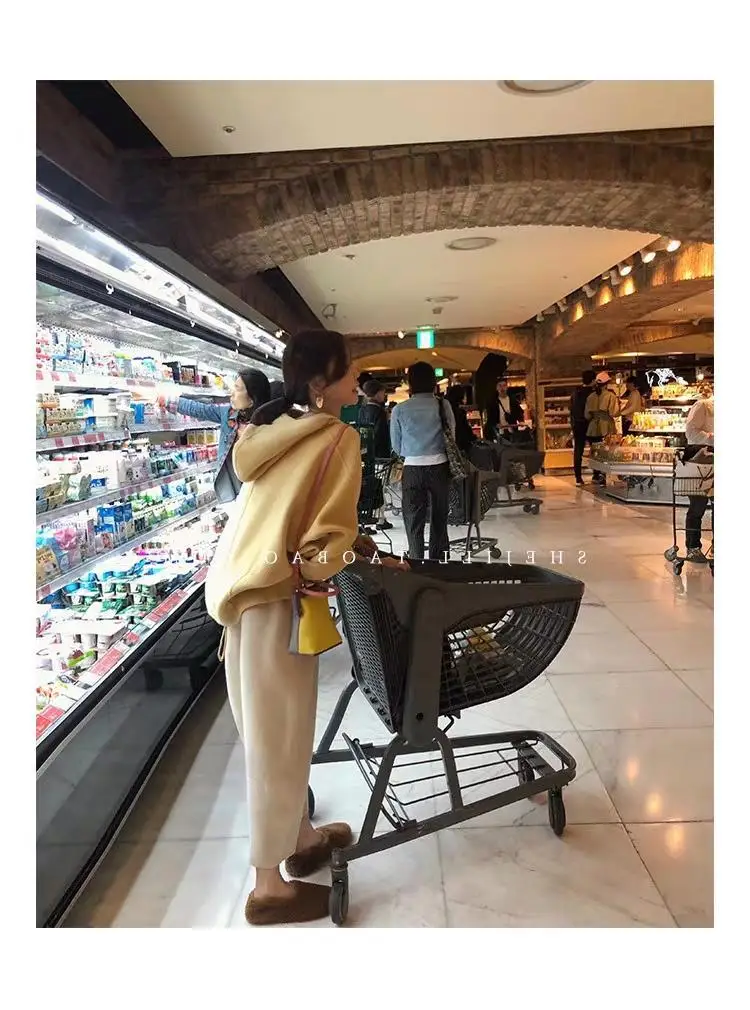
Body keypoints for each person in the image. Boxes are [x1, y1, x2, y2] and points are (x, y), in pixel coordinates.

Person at [204, 329, 407, 926]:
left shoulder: (268, 430)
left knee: (270, 732)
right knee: (279, 739)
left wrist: (345, 545)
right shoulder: (338, 435)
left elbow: (286, 510)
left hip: (239, 594)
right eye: (349, 370)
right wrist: (345, 555)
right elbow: (323, 546)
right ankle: (269, 887)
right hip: (278, 599)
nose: (357, 380)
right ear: (321, 383)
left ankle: (300, 838)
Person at [161, 368, 271, 503]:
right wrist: (164, 399)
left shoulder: (268, 427)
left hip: (259, 491)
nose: (232, 393)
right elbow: (199, 409)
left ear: (252, 399)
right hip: (233, 491)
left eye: (237, 389)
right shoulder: (229, 414)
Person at [390, 361, 455, 561]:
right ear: (433, 381)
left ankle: (416, 560)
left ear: (410, 383)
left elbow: (396, 446)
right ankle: (438, 562)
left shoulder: (399, 410)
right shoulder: (443, 405)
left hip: (412, 469)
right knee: (439, 517)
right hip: (440, 467)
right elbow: (452, 436)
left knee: (413, 519)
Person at [683, 382, 714, 563]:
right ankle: (693, 547)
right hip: (700, 459)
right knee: (698, 506)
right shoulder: (703, 405)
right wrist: (712, 438)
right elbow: (691, 433)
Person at [585, 371, 620, 485]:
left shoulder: (590, 397)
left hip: (593, 427)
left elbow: (587, 415)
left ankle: (595, 474)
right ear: (607, 384)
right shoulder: (610, 396)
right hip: (606, 426)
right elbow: (614, 412)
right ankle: (602, 475)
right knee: (605, 452)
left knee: (595, 452)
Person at [570, 369, 595, 486]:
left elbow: (571, 408)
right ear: (593, 380)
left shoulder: (576, 392)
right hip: (590, 424)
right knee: (595, 449)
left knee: (578, 451)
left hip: (577, 424)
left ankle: (578, 478)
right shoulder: (593, 393)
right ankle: (597, 475)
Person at [358, 379, 391, 459]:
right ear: (378, 393)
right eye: (383, 393)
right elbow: (380, 433)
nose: (384, 395)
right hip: (380, 452)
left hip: (365, 451)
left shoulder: (362, 410)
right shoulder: (380, 412)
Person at [445, 385, 477, 454]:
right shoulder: (459, 411)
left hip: (447, 444)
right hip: (459, 444)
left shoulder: (445, 408)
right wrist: (474, 438)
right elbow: (464, 428)